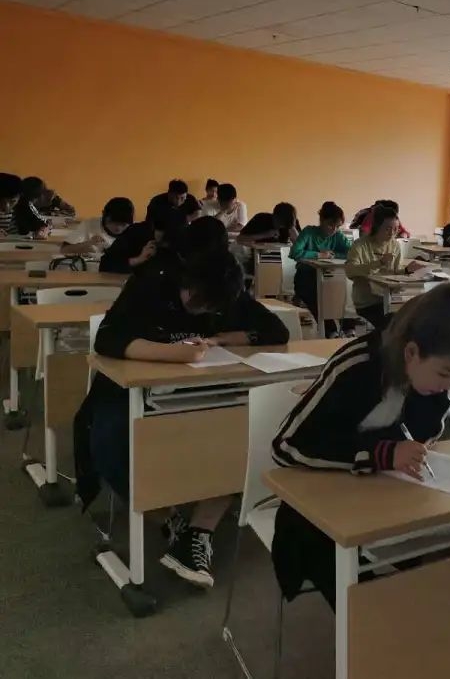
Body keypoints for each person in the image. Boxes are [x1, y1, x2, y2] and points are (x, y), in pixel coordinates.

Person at [74, 249, 289, 588]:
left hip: (196, 389)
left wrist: (217, 339)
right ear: (185, 282)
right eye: (197, 303)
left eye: (211, 309)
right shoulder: (150, 285)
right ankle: (170, 518)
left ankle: (198, 532)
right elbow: (107, 338)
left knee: (242, 430)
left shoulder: (226, 292)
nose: (202, 312)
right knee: (110, 441)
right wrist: (172, 354)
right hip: (130, 387)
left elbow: (275, 331)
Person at [270, 282, 450, 606]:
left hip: (387, 496)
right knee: (368, 600)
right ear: (411, 352)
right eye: (445, 374)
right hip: (317, 511)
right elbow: (285, 446)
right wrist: (382, 453)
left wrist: (405, 450)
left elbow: (426, 435)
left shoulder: (434, 380)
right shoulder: (358, 365)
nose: (449, 386)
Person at [345, 206, 426, 329]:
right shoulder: (360, 245)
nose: (392, 233)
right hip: (367, 303)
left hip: (390, 299)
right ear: (377, 227)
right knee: (392, 324)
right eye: (388, 229)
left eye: (396, 229)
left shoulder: (395, 245)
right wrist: (379, 262)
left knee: (415, 319)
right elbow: (350, 271)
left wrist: (406, 270)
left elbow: (395, 273)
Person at [290, 202, 351, 328]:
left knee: (345, 292)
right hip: (306, 277)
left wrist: (334, 255)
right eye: (330, 225)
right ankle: (330, 330)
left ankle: (348, 328)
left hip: (331, 277)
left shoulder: (337, 235)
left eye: (337, 226)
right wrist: (319, 255)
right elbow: (294, 252)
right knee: (316, 297)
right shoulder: (309, 232)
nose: (333, 230)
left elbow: (352, 253)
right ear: (321, 220)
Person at [61, 197, 134, 256]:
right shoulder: (89, 224)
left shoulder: (134, 231)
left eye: (123, 225)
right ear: (104, 215)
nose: (118, 228)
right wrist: (88, 243)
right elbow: (64, 250)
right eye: (114, 223)